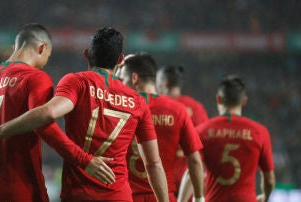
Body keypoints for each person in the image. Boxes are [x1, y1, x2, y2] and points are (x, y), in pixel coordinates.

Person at [0, 27, 169, 201]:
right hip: (118, 195)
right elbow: (153, 163)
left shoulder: (77, 82)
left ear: (86, 54)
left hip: (78, 194)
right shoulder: (137, 101)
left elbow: (47, 113)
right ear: (120, 60)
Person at [0, 23, 115, 202]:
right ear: (42, 47)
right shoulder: (36, 78)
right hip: (23, 190)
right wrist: (84, 160)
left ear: (15, 48)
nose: (44, 64)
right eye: (47, 58)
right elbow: (45, 128)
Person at [116, 53, 205, 202]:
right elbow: (195, 160)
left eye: (122, 79)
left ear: (134, 78)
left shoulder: (119, 107)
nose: (120, 84)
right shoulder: (177, 110)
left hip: (126, 197)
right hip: (164, 197)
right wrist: (198, 197)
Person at [180, 75, 275, 202]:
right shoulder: (260, 132)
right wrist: (265, 196)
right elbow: (269, 179)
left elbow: (192, 170)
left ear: (219, 99)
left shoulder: (202, 131)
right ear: (244, 101)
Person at [156, 65, 209, 196]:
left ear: (164, 83)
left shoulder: (156, 106)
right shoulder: (197, 108)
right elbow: (204, 147)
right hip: (190, 180)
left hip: (162, 180)